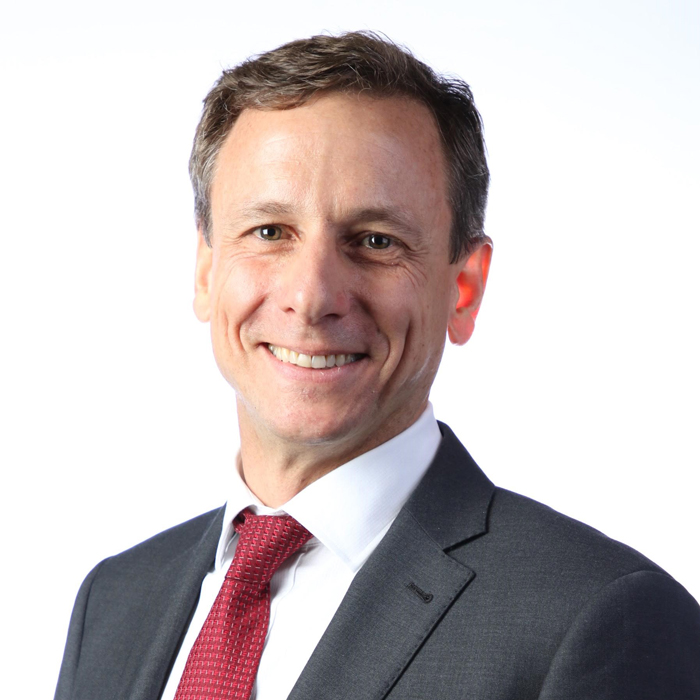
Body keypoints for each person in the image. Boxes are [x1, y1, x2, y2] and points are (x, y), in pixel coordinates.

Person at [54, 31, 700, 700]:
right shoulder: (114, 604)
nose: (311, 297)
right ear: (205, 270)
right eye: (269, 232)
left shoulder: (603, 621)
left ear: (464, 289)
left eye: (374, 240)